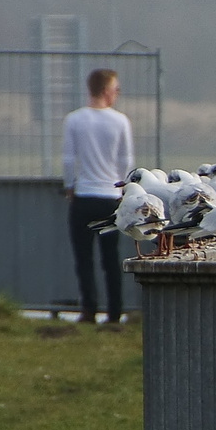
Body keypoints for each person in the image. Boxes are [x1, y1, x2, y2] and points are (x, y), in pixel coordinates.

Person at [63, 68, 134, 323]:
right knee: (110, 258)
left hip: (83, 196)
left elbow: (69, 159)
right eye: (116, 89)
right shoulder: (120, 121)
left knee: (83, 258)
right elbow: (126, 159)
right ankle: (115, 312)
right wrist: (122, 187)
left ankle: (89, 309)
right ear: (106, 90)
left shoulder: (74, 119)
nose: (117, 93)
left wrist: (70, 186)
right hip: (110, 198)